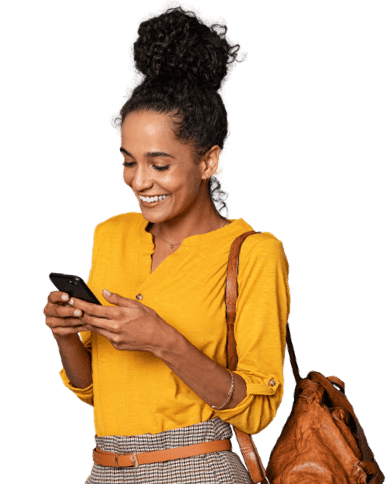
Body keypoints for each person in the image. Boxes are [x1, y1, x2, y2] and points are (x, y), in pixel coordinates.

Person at [42, 2, 291, 483]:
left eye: (159, 164)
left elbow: (257, 411)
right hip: (104, 468)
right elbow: (95, 390)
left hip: (199, 468)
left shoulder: (255, 252)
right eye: (128, 161)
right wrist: (65, 334)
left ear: (208, 160)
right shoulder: (110, 235)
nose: (139, 181)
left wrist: (163, 341)